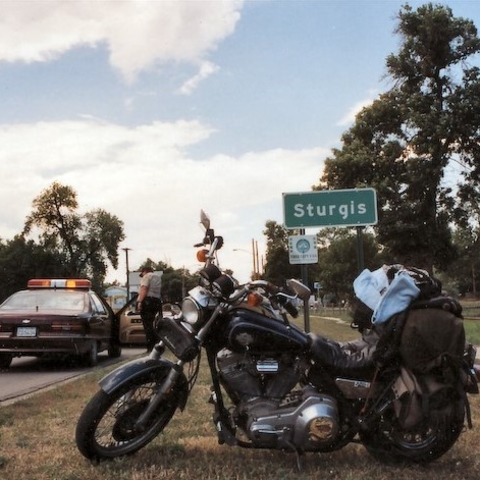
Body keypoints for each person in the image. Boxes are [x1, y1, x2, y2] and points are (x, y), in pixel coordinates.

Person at [136, 266, 162, 352]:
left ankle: (150, 347)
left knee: (148, 325)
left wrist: (140, 301)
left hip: (147, 301)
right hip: (157, 301)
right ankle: (157, 344)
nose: (142, 275)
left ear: (144, 271)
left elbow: (144, 288)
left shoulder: (146, 276)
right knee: (156, 324)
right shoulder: (158, 277)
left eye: (142, 273)